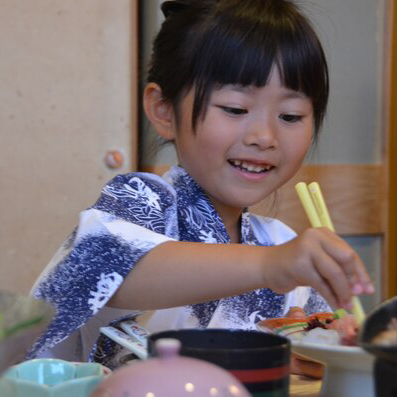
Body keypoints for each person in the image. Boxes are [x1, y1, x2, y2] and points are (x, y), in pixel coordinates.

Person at [28, 0, 373, 373]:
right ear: (163, 111)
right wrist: (271, 266)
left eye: (290, 116)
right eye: (235, 109)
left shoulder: (282, 242)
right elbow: (104, 270)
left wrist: (330, 348)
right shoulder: (143, 202)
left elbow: (321, 358)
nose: (264, 136)